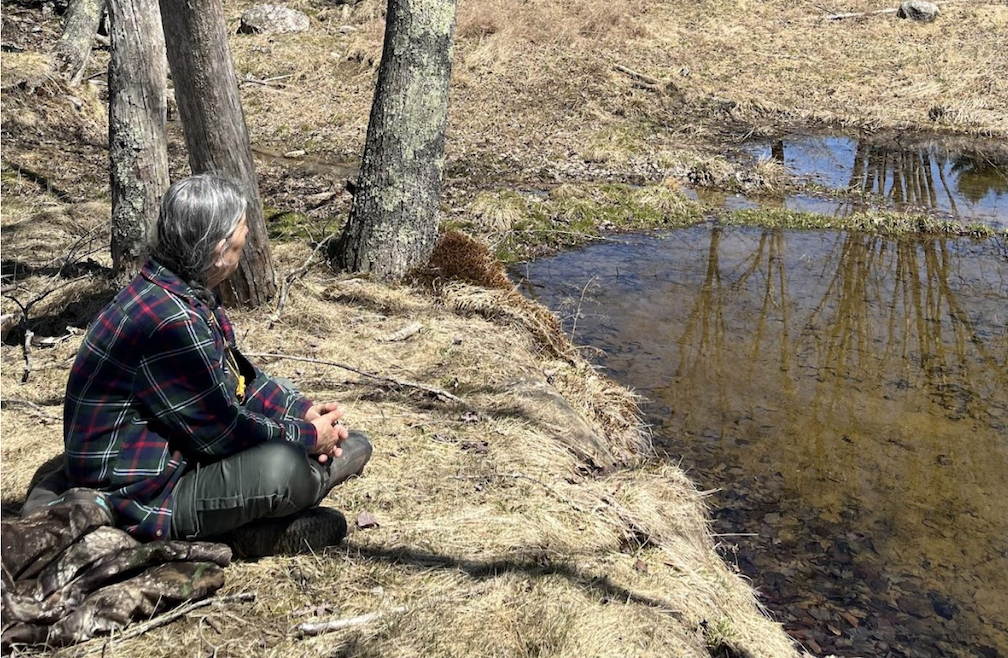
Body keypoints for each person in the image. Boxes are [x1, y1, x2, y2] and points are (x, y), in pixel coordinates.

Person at [30, 174, 371, 557]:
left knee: (309, 424)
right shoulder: (170, 322)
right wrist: (310, 438)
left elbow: (239, 377)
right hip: (135, 495)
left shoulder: (183, 290)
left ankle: (303, 480)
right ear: (219, 249)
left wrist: (302, 411)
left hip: (168, 458)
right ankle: (247, 528)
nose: (249, 236)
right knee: (284, 468)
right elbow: (222, 431)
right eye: (243, 229)